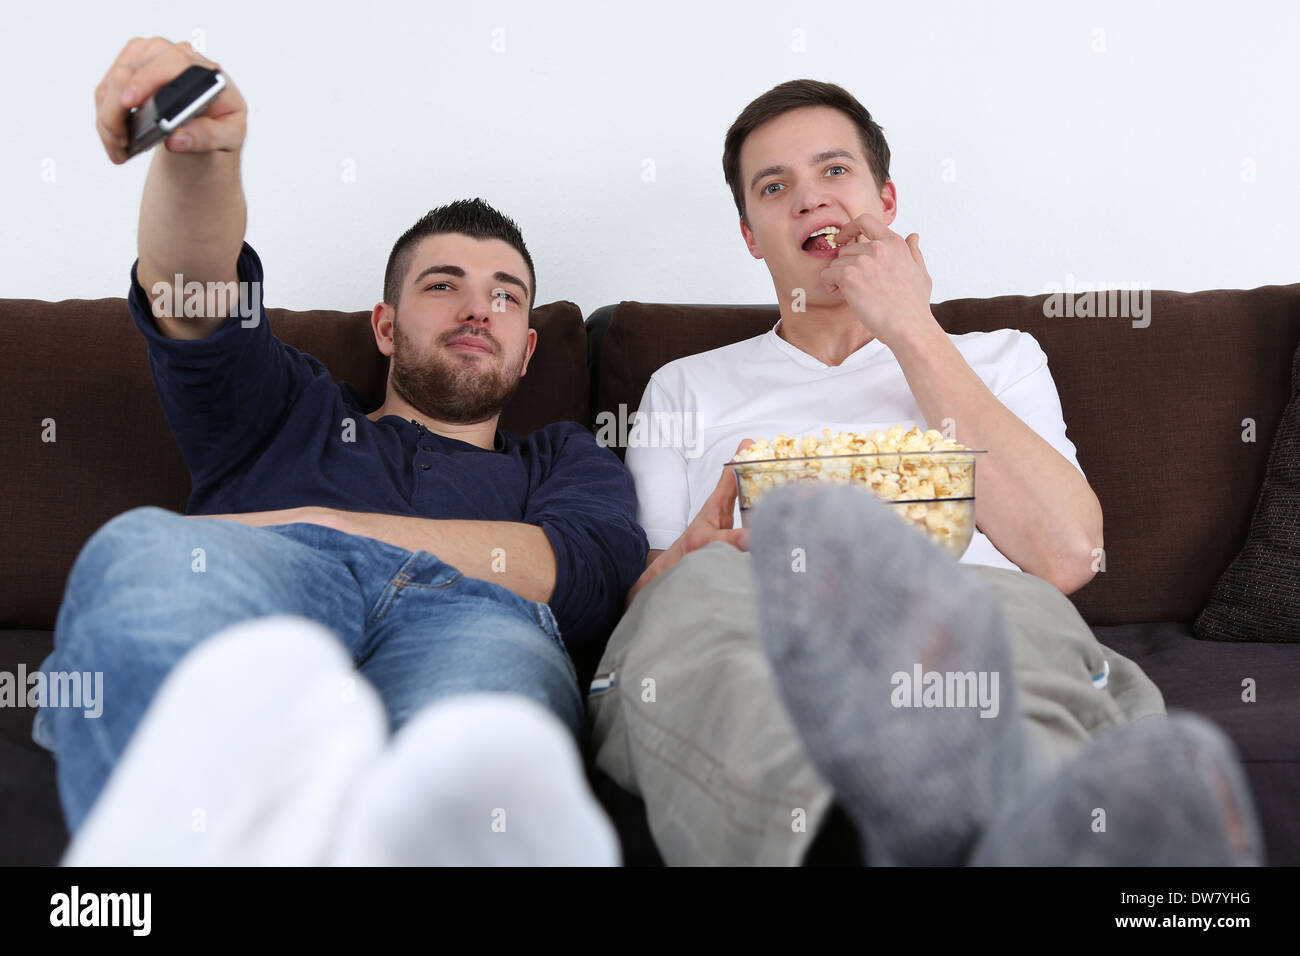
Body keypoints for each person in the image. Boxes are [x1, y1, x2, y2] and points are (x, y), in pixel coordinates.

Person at [588, 79, 1264, 866]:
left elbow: (1067, 555)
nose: (809, 201)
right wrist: (680, 563)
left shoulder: (998, 358)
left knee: (1007, 641)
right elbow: (647, 612)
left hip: (972, 606)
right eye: (775, 187)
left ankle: (1026, 822)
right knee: (696, 609)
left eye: (833, 172)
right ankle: (834, 828)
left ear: (886, 196)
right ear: (749, 234)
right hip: (752, 614)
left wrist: (911, 329)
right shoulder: (683, 385)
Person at [33, 37, 646, 864]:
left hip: (473, 619)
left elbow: (587, 575)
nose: (478, 309)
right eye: (443, 285)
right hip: (263, 578)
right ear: (387, 328)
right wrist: (202, 158)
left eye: (506, 297)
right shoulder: (289, 405)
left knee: (481, 744)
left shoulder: (564, 457)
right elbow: (196, 300)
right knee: (149, 558)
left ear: (528, 350)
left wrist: (326, 518)